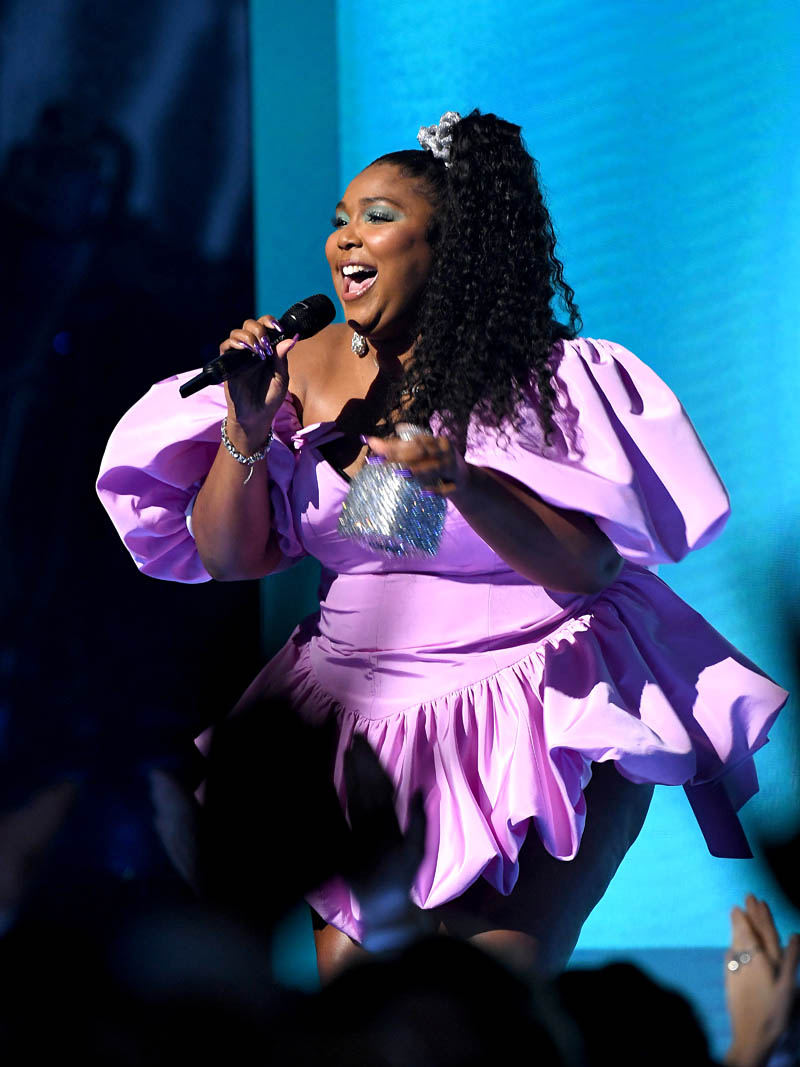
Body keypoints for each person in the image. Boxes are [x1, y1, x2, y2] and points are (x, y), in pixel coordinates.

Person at [97, 110, 787, 983]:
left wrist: (463, 481)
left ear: (450, 247)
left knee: (490, 1000)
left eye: (378, 216)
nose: (346, 237)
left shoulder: (543, 377)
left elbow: (590, 567)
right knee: (360, 1017)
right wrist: (245, 428)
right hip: (356, 710)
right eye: (341, 219)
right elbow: (232, 558)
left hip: (535, 696)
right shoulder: (302, 365)